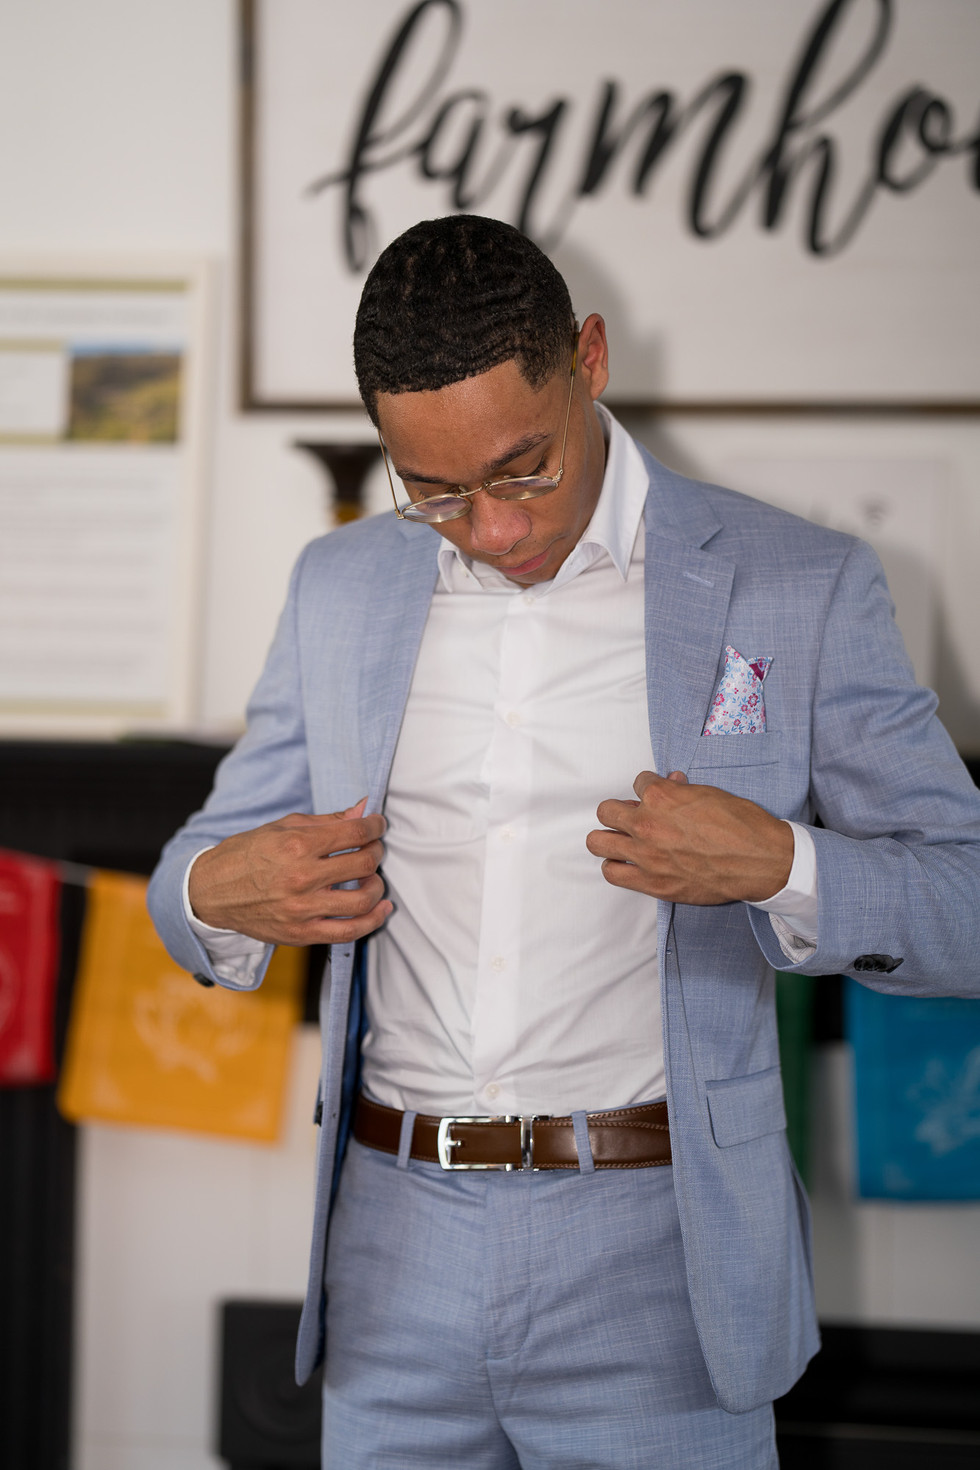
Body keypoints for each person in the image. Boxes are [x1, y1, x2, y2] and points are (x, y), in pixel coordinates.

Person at [148, 215, 980, 1469]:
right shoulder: (338, 585)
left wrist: (781, 868)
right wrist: (223, 888)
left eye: (521, 469)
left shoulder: (794, 583)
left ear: (587, 358)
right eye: (431, 491)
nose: (488, 529)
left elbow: (962, 900)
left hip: (661, 1257)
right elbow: (193, 869)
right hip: (390, 1249)